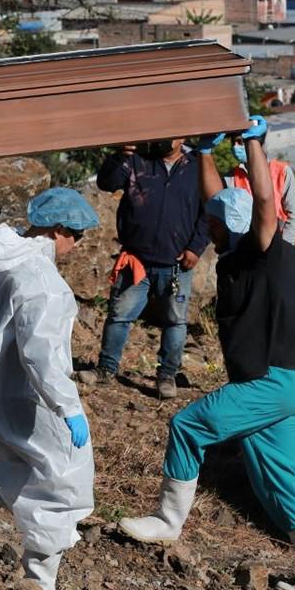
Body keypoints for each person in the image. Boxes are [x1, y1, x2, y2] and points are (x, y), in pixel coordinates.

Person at [117, 117, 295, 590]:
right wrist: (203, 153)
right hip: (293, 381)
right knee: (278, 487)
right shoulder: (246, 251)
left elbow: (263, 202)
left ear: (226, 228)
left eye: (213, 224)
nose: (207, 228)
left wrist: (255, 145)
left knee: (188, 425)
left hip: (274, 381)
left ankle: (167, 520)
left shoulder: (266, 251)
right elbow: (218, 199)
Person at [0, 187, 98, 590]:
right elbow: (42, 355)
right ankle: (39, 579)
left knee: (26, 461)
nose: (77, 246)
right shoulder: (41, 280)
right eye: (76, 236)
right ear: (59, 229)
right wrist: (69, 407)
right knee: (65, 479)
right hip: (27, 393)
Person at [90, 138, 210, 399]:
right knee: (120, 315)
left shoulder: (198, 166)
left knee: (175, 321)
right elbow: (106, 183)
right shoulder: (137, 160)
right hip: (136, 259)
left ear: (183, 138)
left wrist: (196, 248)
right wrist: (118, 155)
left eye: (175, 133)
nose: (167, 138)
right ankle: (105, 370)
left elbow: (209, 209)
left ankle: (166, 376)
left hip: (177, 263)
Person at [223, 117, 295, 243]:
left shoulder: (283, 171)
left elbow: (293, 217)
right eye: (233, 142)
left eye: (240, 142)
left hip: (278, 241)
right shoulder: (231, 178)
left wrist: (283, 248)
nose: (235, 147)